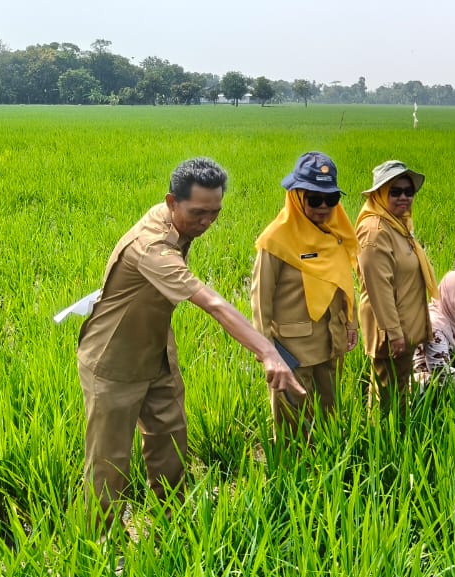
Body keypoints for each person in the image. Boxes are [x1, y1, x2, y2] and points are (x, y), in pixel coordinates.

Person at [77, 157, 303, 532]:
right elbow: (212, 303)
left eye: (215, 213)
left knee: (170, 444)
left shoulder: (174, 220)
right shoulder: (152, 247)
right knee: (109, 462)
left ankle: (173, 526)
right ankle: (98, 544)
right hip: (113, 361)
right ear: (172, 202)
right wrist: (267, 351)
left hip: (157, 352)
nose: (207, 222)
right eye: (198, 212)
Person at [251, 151, 359, 443]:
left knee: (330, 416)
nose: (323, 206)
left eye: (331, 199)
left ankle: (329, 464)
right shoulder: (275, 240)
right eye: (314, 198)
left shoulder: (335, 234)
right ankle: (291, 468)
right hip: (292, 350)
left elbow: (344, 282)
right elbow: (260, 303)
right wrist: (267, 353)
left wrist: (351, 322)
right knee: (292, 424)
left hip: (330, 341)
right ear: (297, 197)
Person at [355, 160, 436, 416]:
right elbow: (378, 288)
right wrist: (394, 333)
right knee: (388, 396)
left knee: (396, 388)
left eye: (408, 192)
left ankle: (395, 431)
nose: (404, 197)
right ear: (380, 194)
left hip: (403, 324)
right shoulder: (375, 231)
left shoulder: (397, 225)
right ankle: (386, 437)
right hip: (391, 328)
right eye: (395, 192)